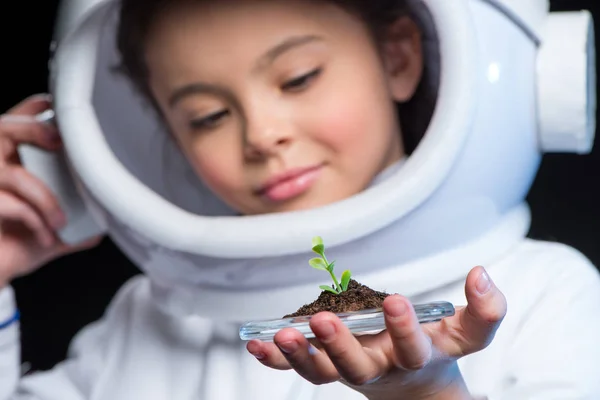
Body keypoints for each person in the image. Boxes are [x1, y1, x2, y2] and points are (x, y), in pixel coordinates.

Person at [0, 0, 598, 399]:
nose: (261, 135)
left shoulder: (546, 294)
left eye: (298, 78)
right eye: (207, 116)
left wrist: (428, 392)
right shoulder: (148, 319)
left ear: (399, 57)